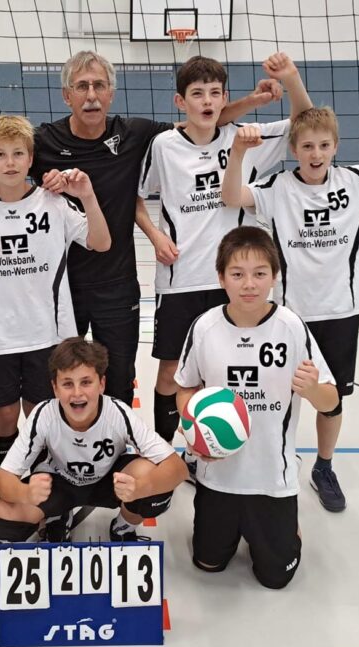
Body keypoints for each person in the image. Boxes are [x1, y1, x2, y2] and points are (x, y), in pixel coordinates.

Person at [0, 51, 284, 406]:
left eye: (99, 85)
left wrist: (250, 102)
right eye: (82, 86)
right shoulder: (44, 140)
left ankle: (123, 455)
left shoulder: (136, 133)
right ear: (67, 95)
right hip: (60, 289)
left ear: (110, 93)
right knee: (63, 380)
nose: (91, 94)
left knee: (118, 379)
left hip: (116, 282)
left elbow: (202, 119)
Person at [222, 107, 359, 512]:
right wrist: (237, 153)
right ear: (294, 149)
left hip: (341, 309)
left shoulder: (357, 182)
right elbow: (232, 195)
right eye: (307, 146)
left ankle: (324, 466)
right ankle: (263, 458)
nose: (316, 153)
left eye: (324, 145)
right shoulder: (277, 187)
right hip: (289, 314)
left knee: (332, 398)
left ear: (335, 146)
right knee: (273, 396)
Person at [135, 52, 312, 457]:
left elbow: (303, 121)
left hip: (234, 280)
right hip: (179, 277)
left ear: (224, 97)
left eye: (215, 93)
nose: (207, 101)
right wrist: (153, 236)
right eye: (197, 94)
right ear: (181, 102)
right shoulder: (163, 145)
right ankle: (162, 453)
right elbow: (136, 197)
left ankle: (215, 447)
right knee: (169, 372)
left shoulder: (244, 138)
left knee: (225, 369)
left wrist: (291, 78)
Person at [175, 227, 338, 587]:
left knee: (274, 579)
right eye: (237, 274)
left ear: (274, 278)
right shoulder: (204, 327)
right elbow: (185, 388)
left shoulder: (291, 327)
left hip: (270, 479)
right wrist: (193, 430)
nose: (249, 284)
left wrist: (312, 390)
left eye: (260, 274)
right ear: (221, 278)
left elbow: (331, 400)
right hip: (218, 476)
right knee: (207, 564)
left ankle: (287, 525)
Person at [0, 115, 111, 466]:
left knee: (42, 414)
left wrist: (87, 197)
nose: (10, 163)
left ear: (31, 159)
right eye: (0, 155)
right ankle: (7, 476)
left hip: (50, 335)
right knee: (3, 418)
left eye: (18, 154)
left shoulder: (52, 201)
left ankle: (49, 476)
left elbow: (101, 243)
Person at [0, 337, 189, 544]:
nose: (77, 393)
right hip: (60, 484)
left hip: (108, 482)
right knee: (3, 518)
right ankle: (58, 515)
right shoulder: (44, 415)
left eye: (86, 382)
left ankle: (123, 526)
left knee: (154, 482)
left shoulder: (117, 413)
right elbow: (2, 479)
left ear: (101, 384)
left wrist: (141, 487)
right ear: (55, 388)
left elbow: (177, 468)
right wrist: (25, 493)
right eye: (67, 384)